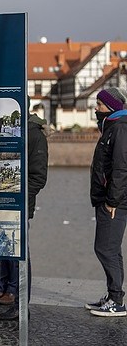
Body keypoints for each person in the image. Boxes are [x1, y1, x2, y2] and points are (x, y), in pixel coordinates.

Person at [0, 112, 48, 321]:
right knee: (4, 249)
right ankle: (4, 293)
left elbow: (38, 177)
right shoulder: (12, 131)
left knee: (20, 254)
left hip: (18, 204)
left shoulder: (35, 135)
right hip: (1, 202)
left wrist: (20, 198)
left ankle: (21, 305)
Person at [87, 88, 127, 317]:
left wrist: (112, 201)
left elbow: (121, 169)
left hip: (114, 202)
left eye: (100, 105)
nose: (96, 109)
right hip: (110, 199)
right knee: (112, 249)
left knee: (104, 249)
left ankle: (117, 301)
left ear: (111, 107)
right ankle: (113, 295)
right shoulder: (112, 128)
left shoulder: (119, 129)